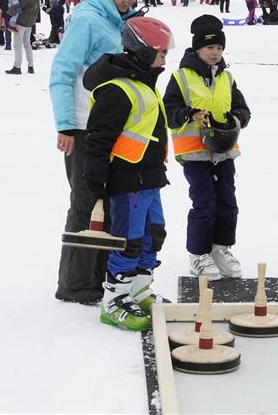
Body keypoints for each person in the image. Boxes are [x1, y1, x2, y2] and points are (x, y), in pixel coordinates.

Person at [49, 0, 143, 304]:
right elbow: (62, 71)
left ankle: (100, 275)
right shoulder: (88, 19)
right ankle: (75, 284)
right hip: (82, 126)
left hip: (109, 126)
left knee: (108, 200)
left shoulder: (122, 21)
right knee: (85, 201)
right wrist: (65, 125)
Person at [82, 16, 174, 331]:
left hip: (149, 179)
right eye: (161, 53)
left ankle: (139, 289)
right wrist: (97, 183)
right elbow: (97, 139)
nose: (164, 60)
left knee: (153, 234)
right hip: (127, 181)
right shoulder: (117, 89)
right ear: (143, 51)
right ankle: (115, 299)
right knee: (129, 241)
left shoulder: (143, 82)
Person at [163, 15, 251, 281]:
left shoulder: (227, 77)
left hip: (224, 151)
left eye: (219, 48)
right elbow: (169, 112)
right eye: (210, 47)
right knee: (204, 204)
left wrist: (237, 119)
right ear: (197, 48)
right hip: (194, 152)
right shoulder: (181, 77)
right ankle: (199, 254)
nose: (215, 53)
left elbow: (243, 109)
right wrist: (190, 114)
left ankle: (220, 249)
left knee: (228, 203)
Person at [4, 0, 40, 75]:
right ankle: (31, 66)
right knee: (27, 44)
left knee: (18, 45)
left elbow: (17, 7)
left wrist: (8, 14)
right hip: (29, 23)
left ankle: (17, 67)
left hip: (21, 22)